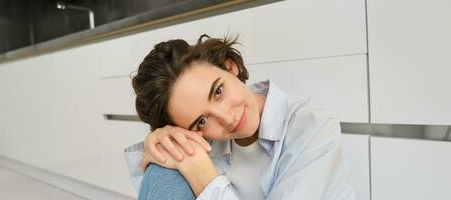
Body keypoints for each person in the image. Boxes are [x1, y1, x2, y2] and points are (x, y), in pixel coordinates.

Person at [124, 35, 356, 200]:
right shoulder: (203, 139)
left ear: (230, 66)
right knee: (165, 168)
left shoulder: (313, 127)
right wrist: (162, 140)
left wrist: (204, 177)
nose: (227, 118)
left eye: (218, 91)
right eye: (202, 121)